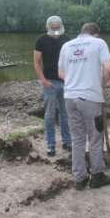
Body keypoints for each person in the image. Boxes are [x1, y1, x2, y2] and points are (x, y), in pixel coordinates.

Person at [58, 22, 110, 190]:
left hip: (69, 97)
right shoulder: (99, 43)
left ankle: (79, 178)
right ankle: (97, 175)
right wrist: (101, 83)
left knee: (77, 139)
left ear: (81, 32)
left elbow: (61, 73)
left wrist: (75, 80)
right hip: (90, 97)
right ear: (96, 34)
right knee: (95, 137)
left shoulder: (66, 46)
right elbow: (109, 69)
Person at [33, 16, 72, 157]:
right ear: (48, 27)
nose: (56, 30)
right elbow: (37, 62)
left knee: (65, 113)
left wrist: (71, 79)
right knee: (49, 115)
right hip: (49, 81)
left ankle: (67, 142)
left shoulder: (66, 38)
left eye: (57, 27)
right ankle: (50, 145)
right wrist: (43, 80)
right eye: (53, 27)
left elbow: (71, 60)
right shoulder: (41, 40)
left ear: (61, 26)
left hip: (65, 81)